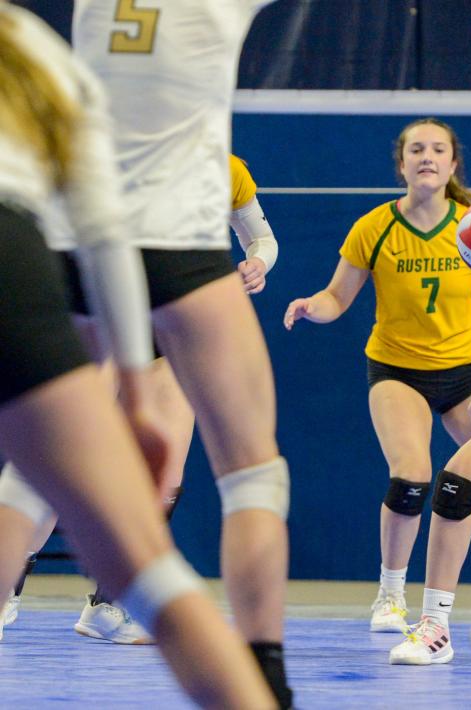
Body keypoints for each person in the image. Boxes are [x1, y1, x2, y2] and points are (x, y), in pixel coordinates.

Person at [0, 4, 275, 706]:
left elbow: (103, 217)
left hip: (66, 252)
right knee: (246, 476)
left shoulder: (80, 20)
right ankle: (261, 680)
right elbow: (102, 218)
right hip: (158, 252)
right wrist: (132, 378)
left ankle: (101, 601)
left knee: (40, 474)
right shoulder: (40, 52)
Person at [284, 118, 471, 634]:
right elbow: (337, 296)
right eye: (416, 149)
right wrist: (312, 306)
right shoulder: (374, 227)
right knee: (411, 475)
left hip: (466, 372)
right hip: (397, 370)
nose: (427, 157)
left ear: (453, 164)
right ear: (401, 163)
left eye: (438, 150)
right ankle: (390, 596)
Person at [1, 153, 280, 645]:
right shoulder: (108, 155)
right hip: (104, 316)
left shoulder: (228, 168)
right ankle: (7, 591)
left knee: (166, 473)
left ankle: (108, 606)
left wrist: (258, 262)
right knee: (60, 455)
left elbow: (262, 237)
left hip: (173, 327)